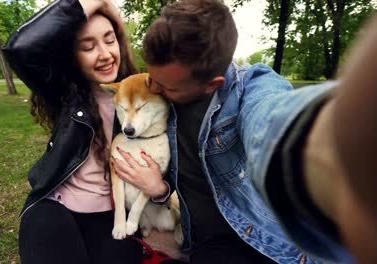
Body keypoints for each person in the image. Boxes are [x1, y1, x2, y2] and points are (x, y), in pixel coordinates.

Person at [111, 0, 376, 263]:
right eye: (152, 78)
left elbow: (270, 121)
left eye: (167, 86)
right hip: (211, 241)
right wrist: (159, 188)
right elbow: (169, 172)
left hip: (264, 233)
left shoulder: (251, 87)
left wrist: (337, 135)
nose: (153, 89)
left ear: (211, 85)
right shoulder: (159, 103)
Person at [1, 0, 155, 263]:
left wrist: (160, 189)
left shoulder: (144, 93)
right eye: (88, 46)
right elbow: (20, 48)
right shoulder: (66, 93)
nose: (105, 54)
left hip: (112, 212)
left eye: (110, 40)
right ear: (73, 56)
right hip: (59, 206)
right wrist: (101, 2)